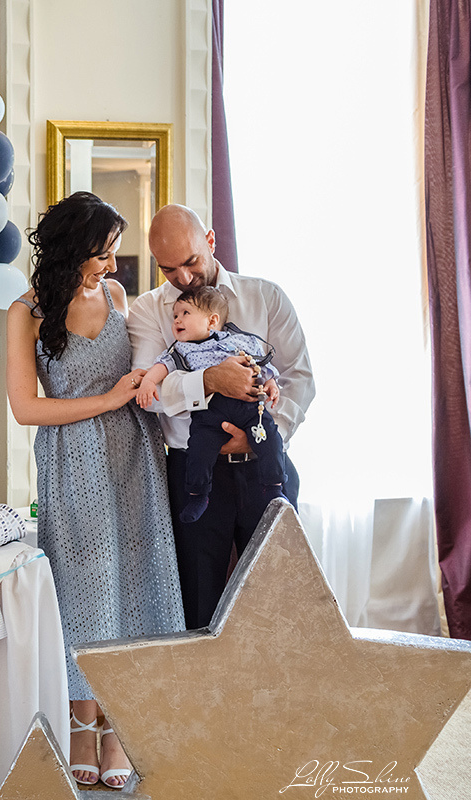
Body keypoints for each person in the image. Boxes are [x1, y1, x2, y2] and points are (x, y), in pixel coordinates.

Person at [6, 191, 185, 788]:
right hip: (72, 461)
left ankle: (118, 727)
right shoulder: (27, 312)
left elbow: (148, 369)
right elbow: (26, 408)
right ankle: (81, 724)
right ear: (72, 249)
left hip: (133, 455)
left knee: (136, 582)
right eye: (103, 253)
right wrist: (106, 400)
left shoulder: (116, 297)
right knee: (83, 588)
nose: (113, 265)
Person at [128, 204, 315, 631]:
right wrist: (210, 380)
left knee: (276, 599)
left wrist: (264, 435)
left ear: (210, 241)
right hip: (194, 472)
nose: (183, 278)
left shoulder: (266, 297)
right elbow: (148, 395)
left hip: (267, 466)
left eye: (191, 261)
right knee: (199, 605)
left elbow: (300, 377)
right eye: (168, 269)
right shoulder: (148, 311)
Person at [136, 286, 286, 523]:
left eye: (185, 313)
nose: (177, 320)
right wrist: (148, 382)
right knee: (198, 450)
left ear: (212, 321)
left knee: (271, 439)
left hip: (249, 408)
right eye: (175, 316)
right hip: (209, 412)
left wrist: (271, 384)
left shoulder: (241, 340)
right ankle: (198, 495)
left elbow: (263, 367)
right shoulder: (181, 349)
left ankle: (274, 487)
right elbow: (161, 366)